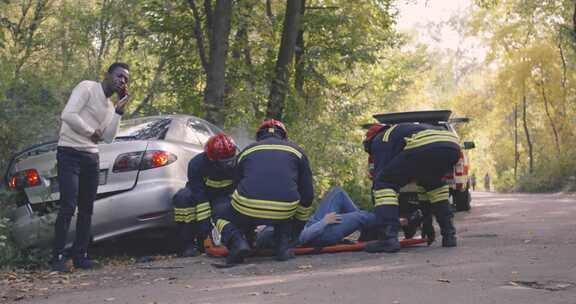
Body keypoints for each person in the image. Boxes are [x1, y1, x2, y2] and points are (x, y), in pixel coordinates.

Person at [51, 63, 131, 272]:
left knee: (87, 209)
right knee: (68, 205)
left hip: (91, 158)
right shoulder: (87, 87)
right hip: (69, 152)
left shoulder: (109, 108)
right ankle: (57, 258)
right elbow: (68, 114)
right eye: (119, 76)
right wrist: (89, 132)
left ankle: (80, 256)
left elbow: (109, 138)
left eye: (125, 79)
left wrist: (119, 111)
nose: (122, 80)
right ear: (108, 74)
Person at [214, 119, 314, 264]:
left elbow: (235, 186)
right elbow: (308, 195)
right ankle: (283, 246)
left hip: (247, 208)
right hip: (284, 211)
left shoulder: (247, 151)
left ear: (259, 136)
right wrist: (296, 231)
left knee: (218, 211)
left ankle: (238, 243)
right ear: (284, 136)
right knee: (285, 208)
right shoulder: (298, 152)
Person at [363, 122, 461, 253]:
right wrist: (427, 223)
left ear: (369, 141)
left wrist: (381, 214)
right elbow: (422, 187)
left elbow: (380, 177)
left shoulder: (380, 139)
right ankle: (449, 236)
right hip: (452, 145)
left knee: (383, 183)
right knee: (434, 186)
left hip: (426, 145)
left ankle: (388, 239)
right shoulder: (403, 132)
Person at [172, 133, 237, 257]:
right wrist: (205, 233)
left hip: (223, 197)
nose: (226, 166)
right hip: (199, 195)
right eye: (222, 162)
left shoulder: (239, 164)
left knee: (224, 209)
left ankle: (232, 240)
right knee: (183, 198)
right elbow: (200, 198)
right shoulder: (196, 164)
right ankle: (187, 244)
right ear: (210, 158)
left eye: (229, 161)